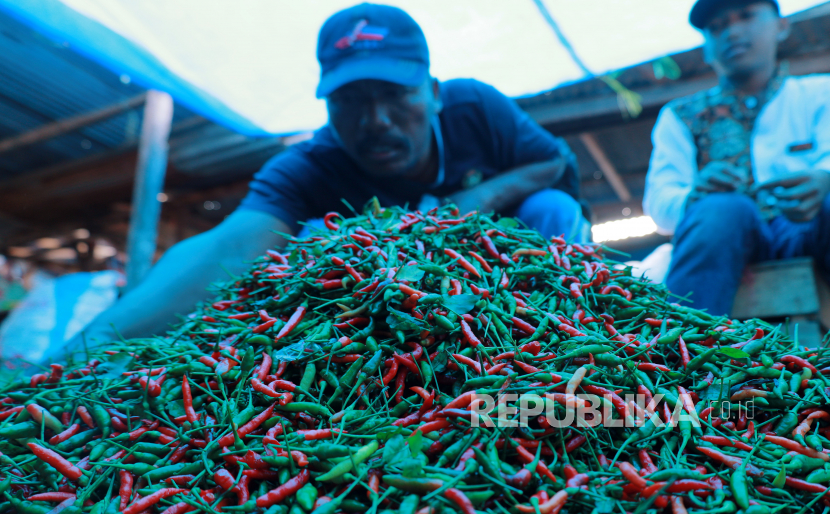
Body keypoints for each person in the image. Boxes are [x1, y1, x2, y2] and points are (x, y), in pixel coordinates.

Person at [49, 3, 587, 356]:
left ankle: (561, 337)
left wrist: (476, 199)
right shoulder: (312, 164)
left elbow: (554, 160)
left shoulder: (477, 108)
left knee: (553, 208)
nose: (375, 120)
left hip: (501, 279)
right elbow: (228, 247)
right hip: (398, 305)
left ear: (433, 92)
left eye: (395, 94)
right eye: (351, 101)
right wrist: (90, 344)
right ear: (328, 105)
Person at [644, 0, 830, 315]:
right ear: (706, 49)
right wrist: (694, 198)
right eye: (716, 28)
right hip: (724, 244)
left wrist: (824, 178)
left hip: (812, 232)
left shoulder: (820, 92)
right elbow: (659, 202)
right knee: (720, 210)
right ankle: (680, 349)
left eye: (745, 16)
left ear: (781, 27)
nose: (731, 32)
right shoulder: (679, 116)